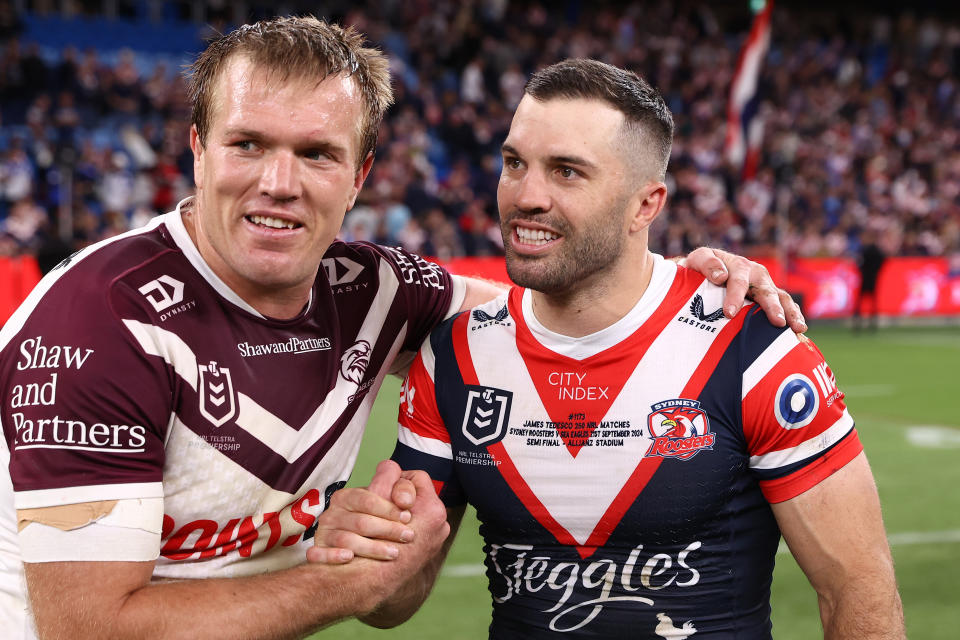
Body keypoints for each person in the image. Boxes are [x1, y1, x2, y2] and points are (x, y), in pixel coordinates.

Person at [0, 18, 802, 640]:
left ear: (363, 174)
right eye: (248, 144)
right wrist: (347, 582)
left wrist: (686, 283)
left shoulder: (374, 290)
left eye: (317, 153)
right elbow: (92, 627)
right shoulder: (99, 322)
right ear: (198, 149)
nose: (278, 184)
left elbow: (547, 304)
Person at [318, 59, 904, 638]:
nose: (526, 196)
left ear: (646, 205)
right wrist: (366, 548)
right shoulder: (452, 356)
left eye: (567, 172)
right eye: (514, 163)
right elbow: (392, 604)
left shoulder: (753, 350)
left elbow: (857, 590)